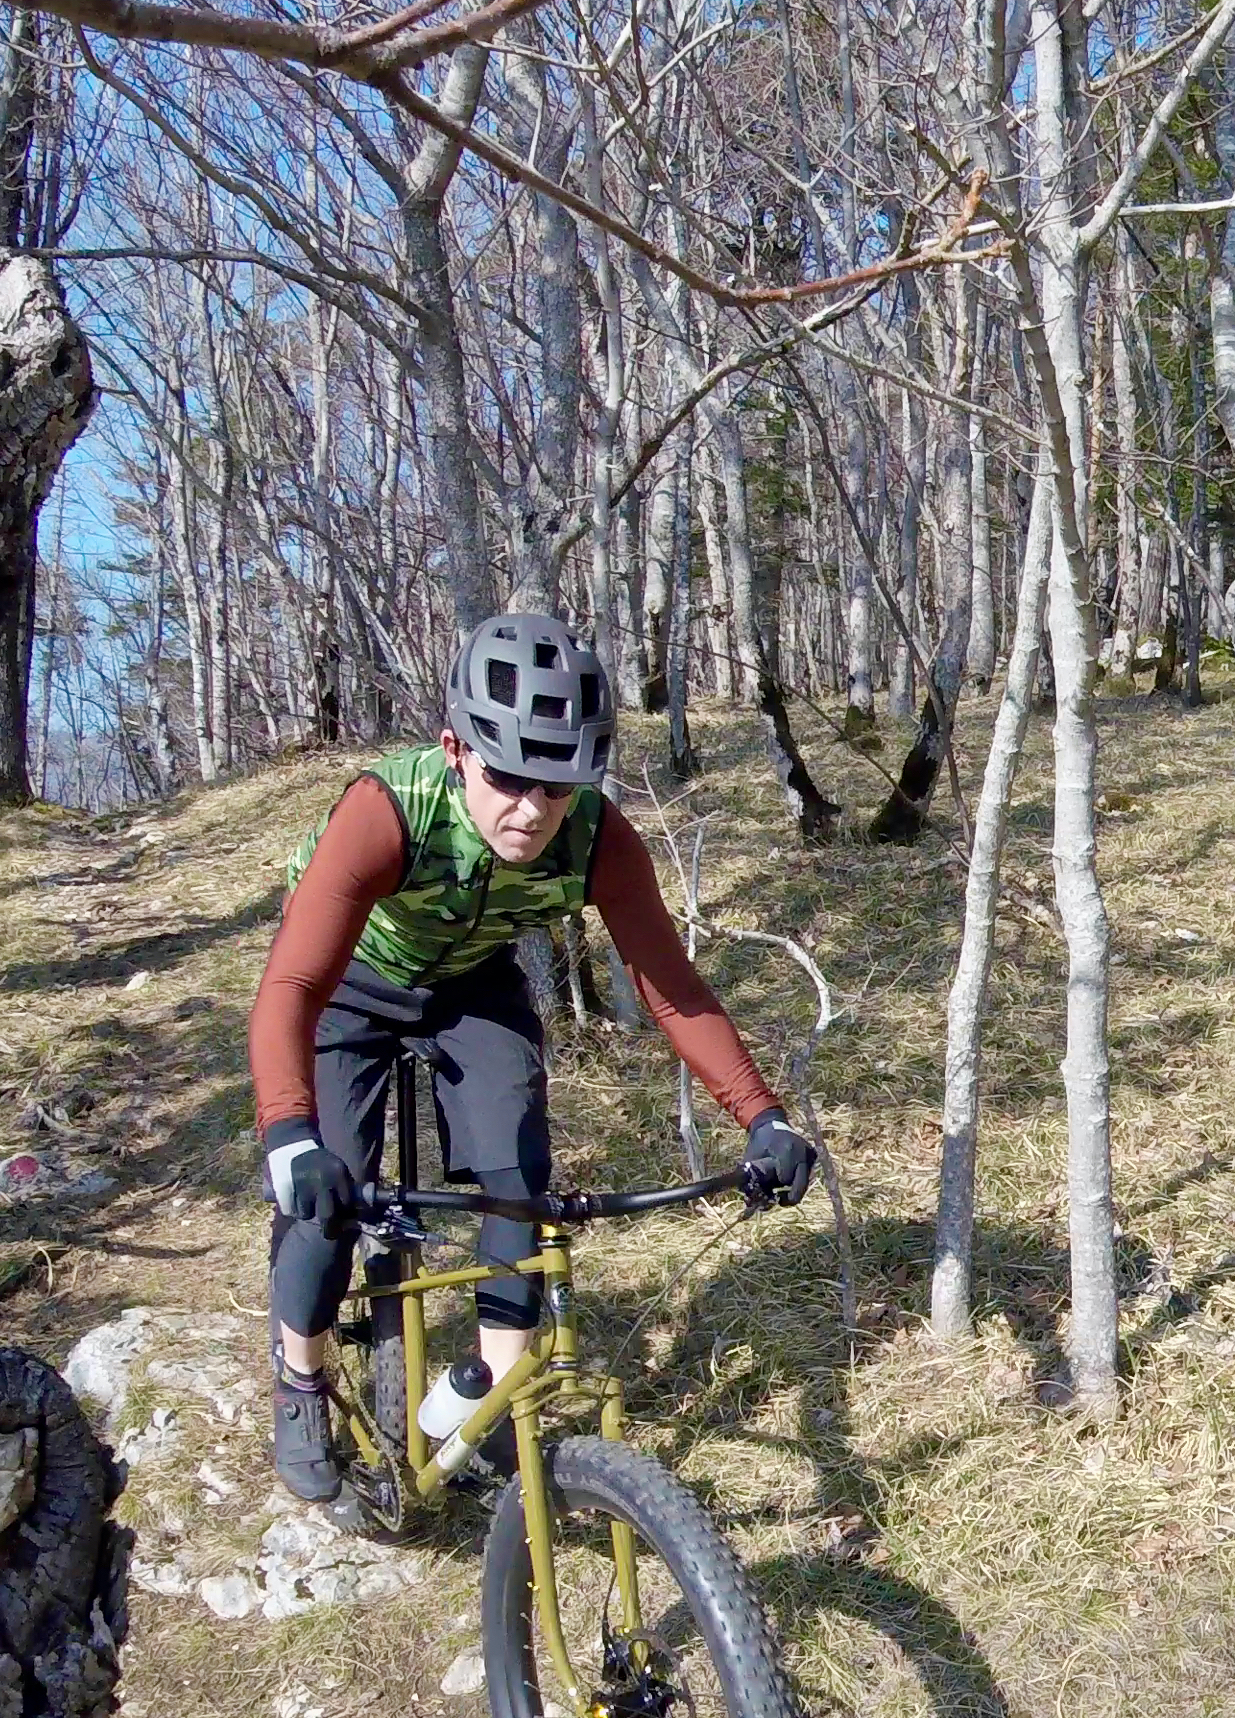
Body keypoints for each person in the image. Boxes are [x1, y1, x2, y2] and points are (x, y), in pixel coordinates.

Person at [249, 611, 813, 1500]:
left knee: (519, 1177)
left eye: (557, 786)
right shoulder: (388, 810)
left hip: (473, 982)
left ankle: (488, 1401)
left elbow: (672, 988)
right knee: (331, 1197)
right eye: (509, 777)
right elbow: (289, 988)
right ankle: (301, 1377)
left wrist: (763, 1115)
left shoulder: (596, 837)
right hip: (347, 985)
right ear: (456, 750)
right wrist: (289, 1132)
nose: (531, 809)